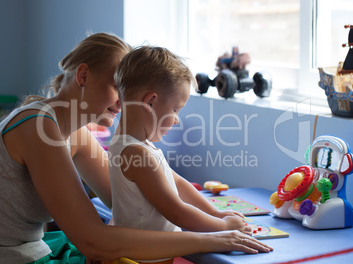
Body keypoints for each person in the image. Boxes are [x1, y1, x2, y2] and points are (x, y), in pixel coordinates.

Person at [0, 33, 272, 264]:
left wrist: (216, 216)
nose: (124, 100)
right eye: (119, 86)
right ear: (84, 76)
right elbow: (93, 241)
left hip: (29, 248)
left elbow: (126, 199)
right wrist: (212, 238)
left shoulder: (76, 134)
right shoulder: (38, 127)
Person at [109, 46, 273, 263]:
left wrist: (216, 213)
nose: (177, 119)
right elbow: (177, 212)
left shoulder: (130, 144)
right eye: (175, 109)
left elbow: (179, 184)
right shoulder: (138, 154)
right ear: (149, 102)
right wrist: (223, 226)